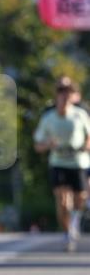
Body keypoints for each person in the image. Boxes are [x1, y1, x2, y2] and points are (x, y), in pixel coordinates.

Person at [33, 76, 90, 252]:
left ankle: (75, 220)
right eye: (61, 92)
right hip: (58, 162)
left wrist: (85, 146)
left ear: (72, 95)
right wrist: (48, 144)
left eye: (68, 92)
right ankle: (67, 233)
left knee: (80, 198)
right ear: (56, 95)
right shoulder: (48, 117)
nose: (64, 96)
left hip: (78, 162)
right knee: (62, 200)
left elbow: (89, 137)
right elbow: (38, 145)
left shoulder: (80, 114)